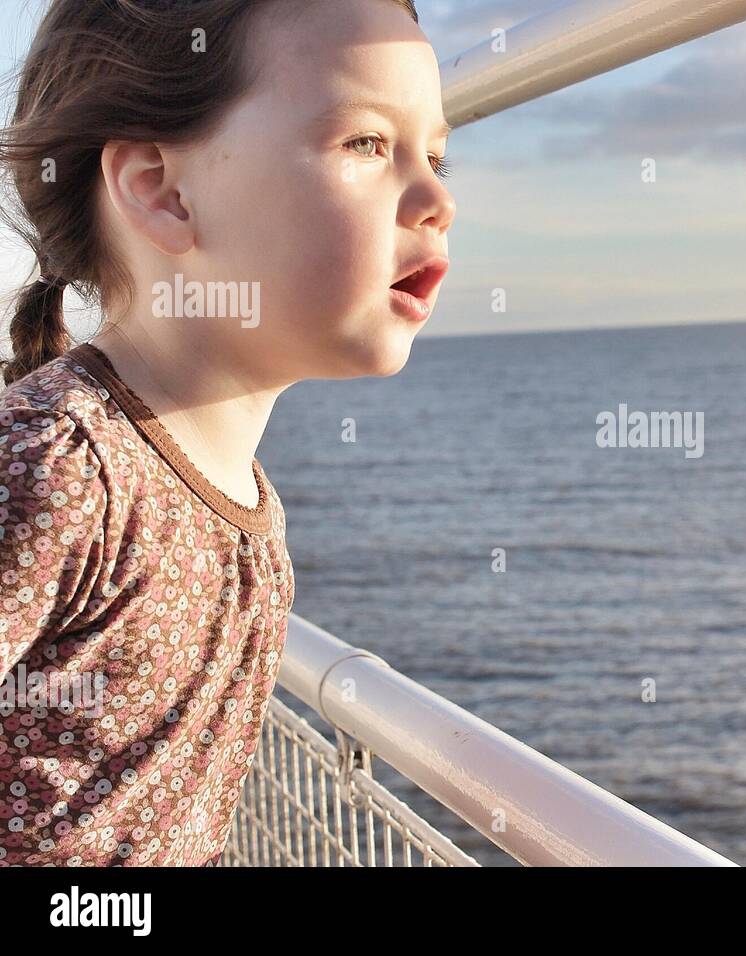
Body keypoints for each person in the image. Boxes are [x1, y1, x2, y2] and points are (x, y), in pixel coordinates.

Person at [0, 0, 455, 866]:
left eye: (435, 155)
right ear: (163, 192)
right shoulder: (57, 470)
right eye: (366, 143)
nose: (437, 199)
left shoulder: (241, 499)